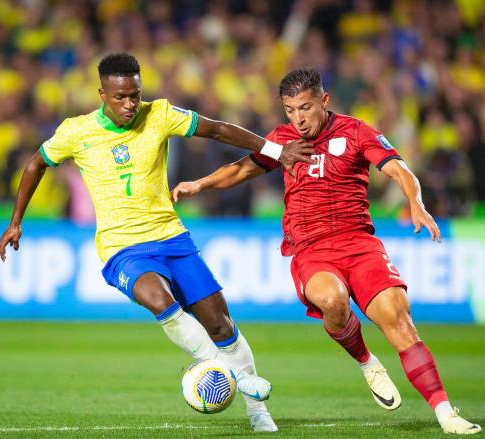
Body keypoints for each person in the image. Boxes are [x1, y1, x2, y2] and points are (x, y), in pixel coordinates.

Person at [0, 52, 314, 432]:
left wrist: (276, 151)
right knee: (159, 299)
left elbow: (214, 129)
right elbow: (36, 164)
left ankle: (257, 413)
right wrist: (16, 222)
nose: (130, 104)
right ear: (102, 93)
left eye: (135, 94)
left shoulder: (159, 114)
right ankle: (239, 378)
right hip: (122, 248)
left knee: (221, 325)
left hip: (171, 237)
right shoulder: (76, 132)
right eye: (120, 97)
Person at [172, 67, 481, 435]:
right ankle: (367, 362)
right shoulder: (283, 140)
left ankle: (446, 413)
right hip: (311, 250)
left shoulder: (356, 132)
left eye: (305, 107)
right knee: (332, 300)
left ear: (324, 100)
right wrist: (200, 185)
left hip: (360, 245)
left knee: (399, 322)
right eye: (290, 110)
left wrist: (416, 202)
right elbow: (241, 170)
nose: (298, 119)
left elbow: (400, 170)